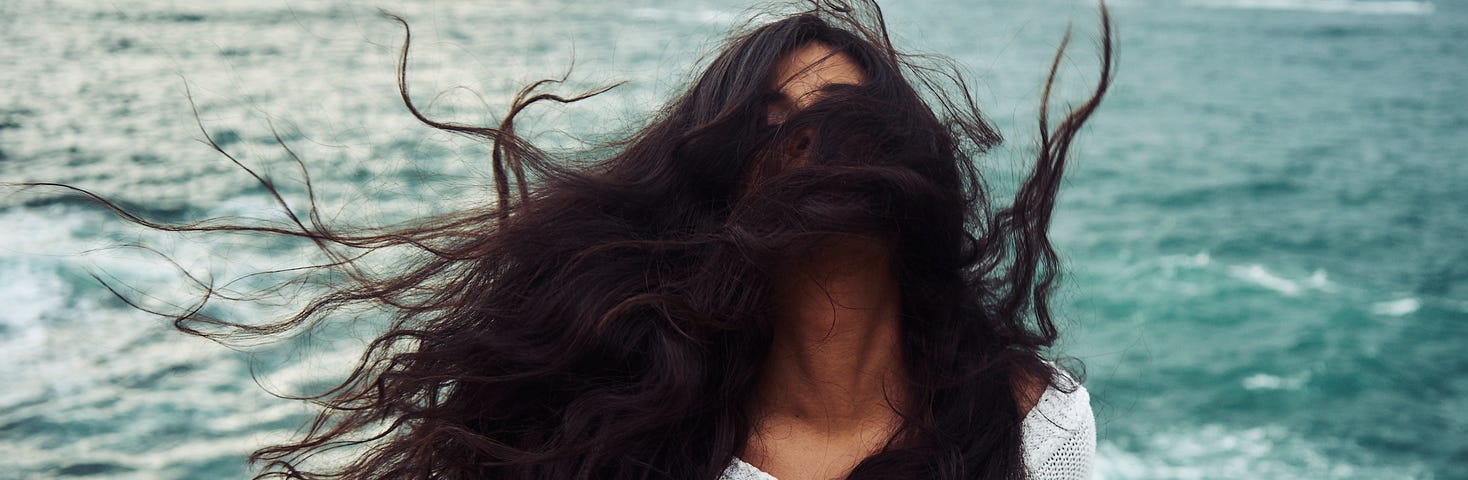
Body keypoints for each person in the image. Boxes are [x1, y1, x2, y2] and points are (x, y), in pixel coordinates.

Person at [25, 1, 1112, 478]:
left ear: (903, 163)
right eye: (768, 128)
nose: (806, 149)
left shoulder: (1033, 424)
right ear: (719, 183)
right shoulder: (653, 441)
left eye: (836, 118)